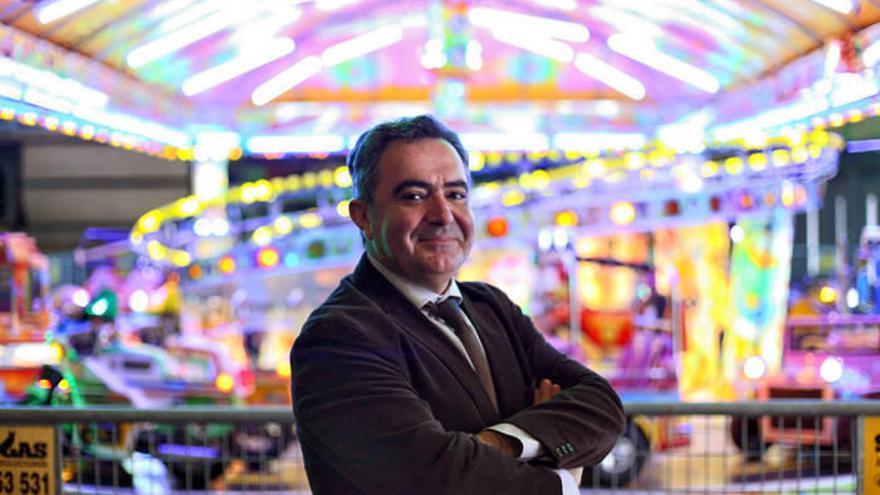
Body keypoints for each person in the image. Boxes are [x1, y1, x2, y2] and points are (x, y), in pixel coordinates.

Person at [290, 115, 625, 494]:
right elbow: (435, 479)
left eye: (455, 194)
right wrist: (560, 476)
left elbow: (603, 407)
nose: (443, 215)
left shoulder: (492, 308)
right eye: (414, 196)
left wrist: (502, 443)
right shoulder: (339, 336)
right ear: (363, 216)